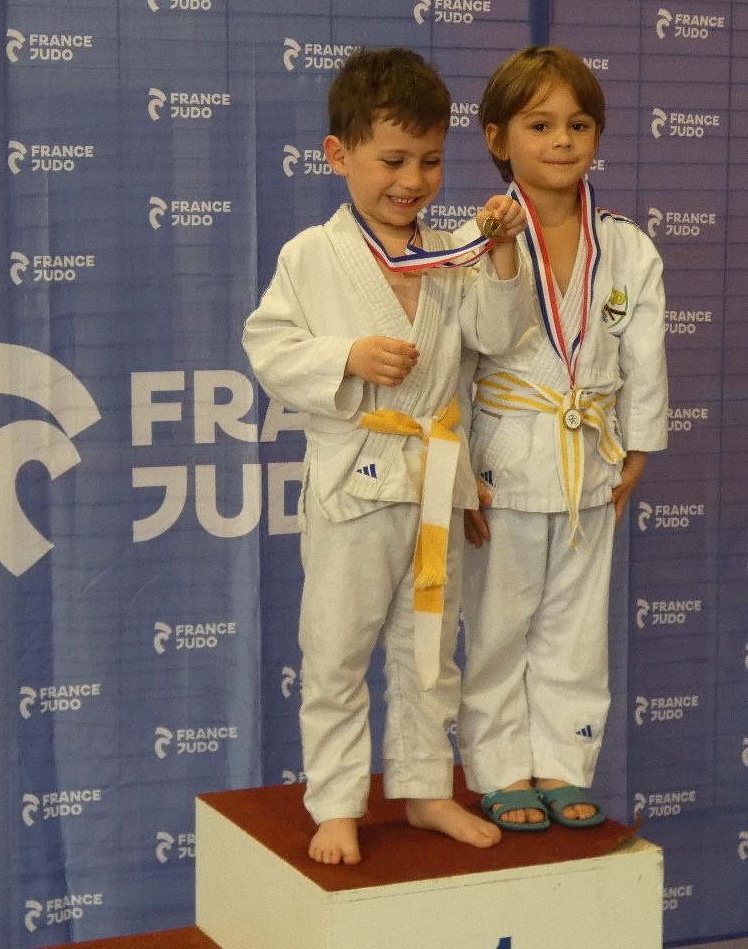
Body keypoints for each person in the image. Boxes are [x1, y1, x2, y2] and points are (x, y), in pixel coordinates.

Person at [243, 47, 529, 865]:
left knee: (428, 650)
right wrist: (346, 356)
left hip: (435, 478)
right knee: (336, 648)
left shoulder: (451, 252)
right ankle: (336, 801)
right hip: (354, 482)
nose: (412, 180)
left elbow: (496, 335)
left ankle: (427, 789)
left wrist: (501, 253)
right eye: (393, 160)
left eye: (430, 161)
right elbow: (268, 346)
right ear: (339, 155)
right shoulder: (311, 254)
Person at [456, 45, 668, 831]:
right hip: (502, 457)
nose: (561, 140)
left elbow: (644, 354)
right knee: (498, 624)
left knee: (577, 626)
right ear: (497, 137)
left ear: (598, 135)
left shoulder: (627, 245)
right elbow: (453, 364)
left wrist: (637, 448)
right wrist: (457, 473)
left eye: (578, 124)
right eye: (539, 125)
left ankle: (564, 762)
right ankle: (500, 766)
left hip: (591, 457)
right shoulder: (473, 238)